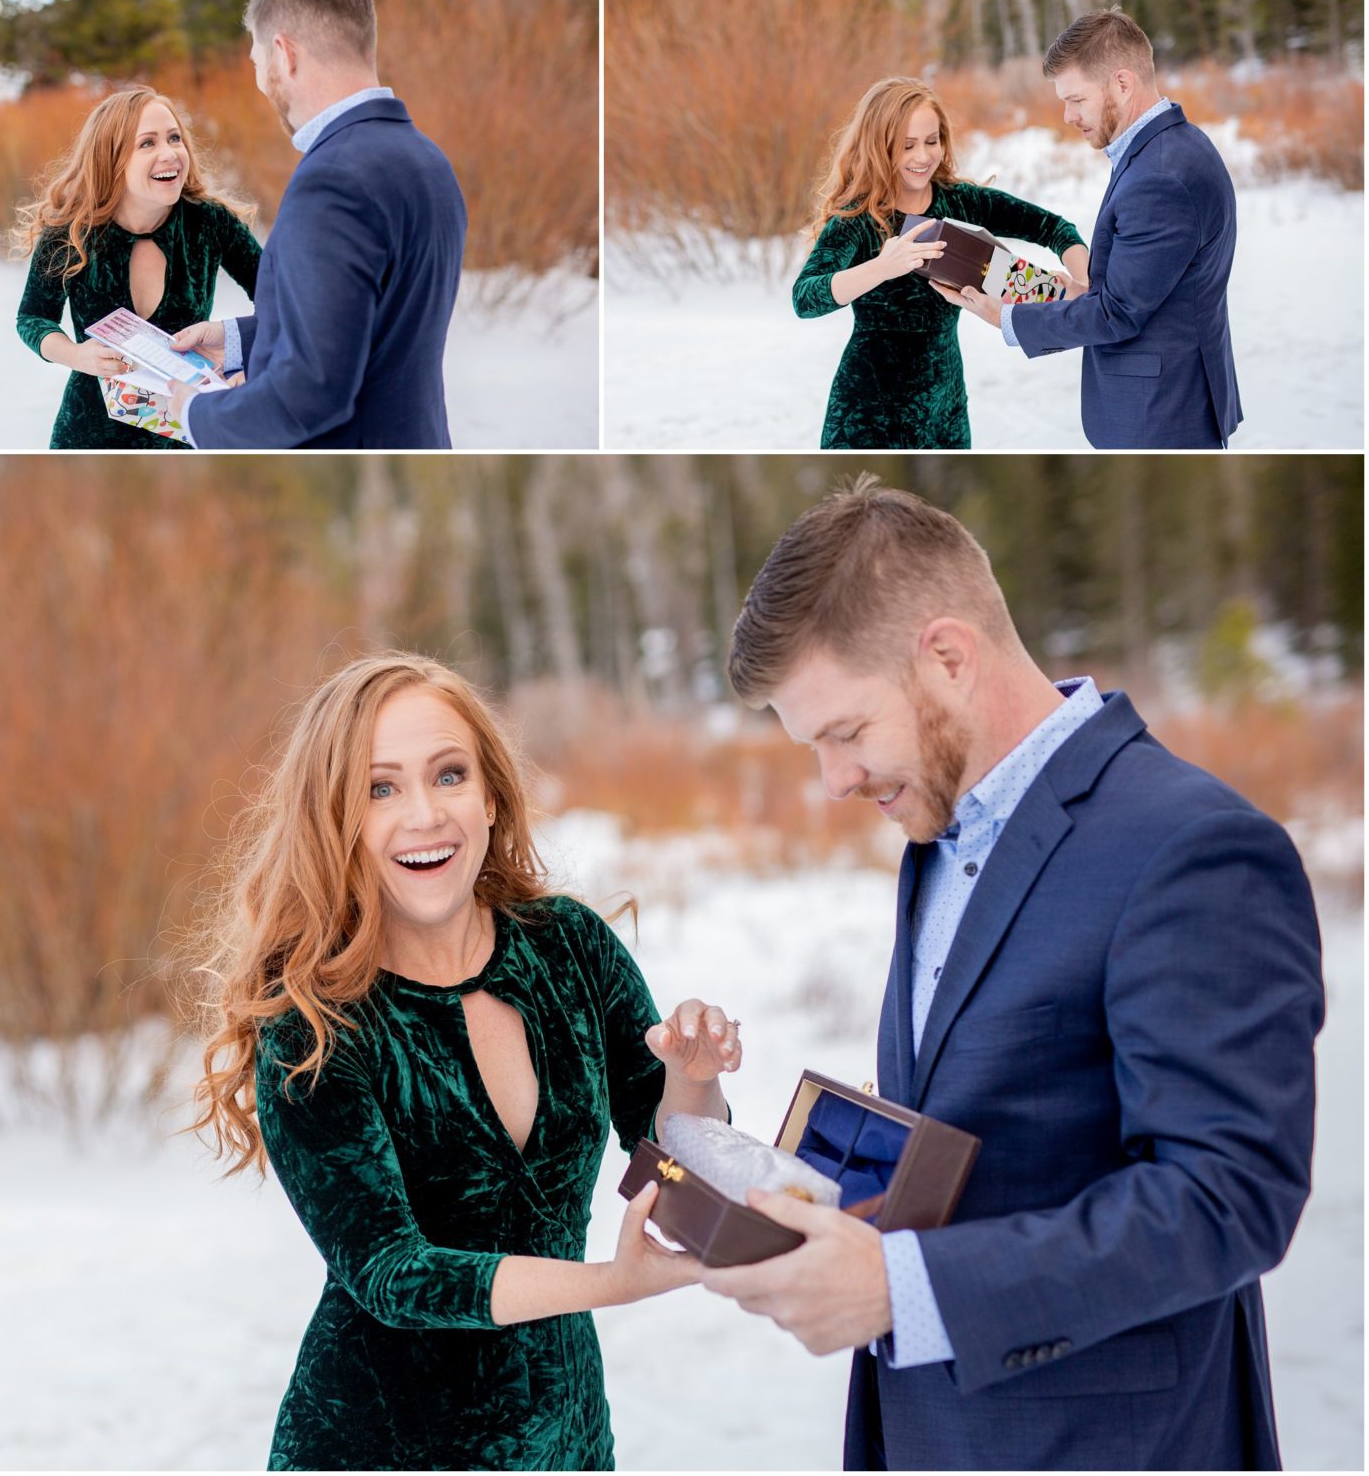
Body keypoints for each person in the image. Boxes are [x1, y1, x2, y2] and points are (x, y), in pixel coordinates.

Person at [704, 476, 1323, 1474]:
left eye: (844, 732)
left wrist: (905, 1289)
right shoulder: (936, 838)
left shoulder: (1190, 847)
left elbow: (1227, 1195)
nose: (831, 782)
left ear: (945, 657)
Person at [194, 652, 734, 1472]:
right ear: (336, 819)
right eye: (380, 789)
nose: (423, 815)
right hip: (378, 1444)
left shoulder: (569, 951)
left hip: (566, 1437)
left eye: (448, 775)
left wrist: (692, 1072)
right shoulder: (311, 1021)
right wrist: (608, 1283)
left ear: (490, 794)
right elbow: (393, 1274)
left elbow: (671, 1168)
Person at [168, 0, 465, 450]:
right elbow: (368, 323)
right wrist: (242, 339)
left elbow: (310, 393)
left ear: (284, 55)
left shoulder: (334, 179)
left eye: (257, 63)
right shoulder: (427, 159)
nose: (262, 83)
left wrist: (196, 414)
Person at [940, 8, 1242, 448]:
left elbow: (1118, 314)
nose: (1066, 115)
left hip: (1160, 413)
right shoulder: (1171, 147)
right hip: (1169, 400)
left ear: (1122, 83)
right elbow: (1146, 290)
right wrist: (1083, 293)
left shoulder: (1160, 175)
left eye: (1076, 99)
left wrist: (1005, 317)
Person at [792, 77, 1088, 448]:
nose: (923, 156)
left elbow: (1054, 228)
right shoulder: (859, 219)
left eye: (932, 141)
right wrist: (883, 267)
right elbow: (804, 298)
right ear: (878, 147)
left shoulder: (960, 202)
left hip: (944, 411)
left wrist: (1085, 281)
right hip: (866, 416)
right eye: (907, 146)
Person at [12, 86, 261, 450]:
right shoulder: (72, 232)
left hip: (186, 428)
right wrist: (77, 355)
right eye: (147, 143)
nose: (170, 153)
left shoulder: (209, 223)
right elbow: (32, 317)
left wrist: (243, 367)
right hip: (89, 433)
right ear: (112, 160)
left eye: (174, 138)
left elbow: (283, 301)